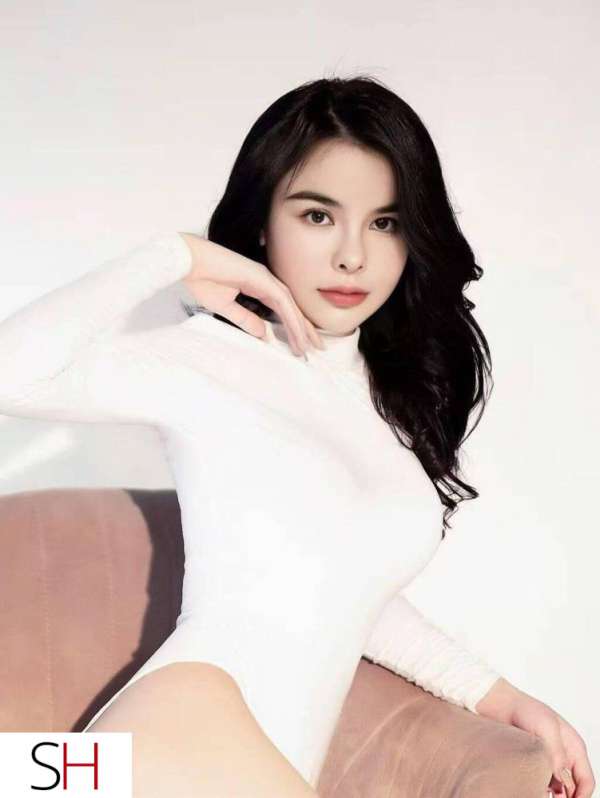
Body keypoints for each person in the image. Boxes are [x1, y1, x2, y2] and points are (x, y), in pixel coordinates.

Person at [0, 75, 593, 798]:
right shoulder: (212, 357)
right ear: (262, 223)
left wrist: (502, 699)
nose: (352, 256)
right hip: (179, 726)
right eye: (318, 216)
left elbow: (340, 589)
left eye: (385, 222)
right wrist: (177, 256)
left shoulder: (383, 402)